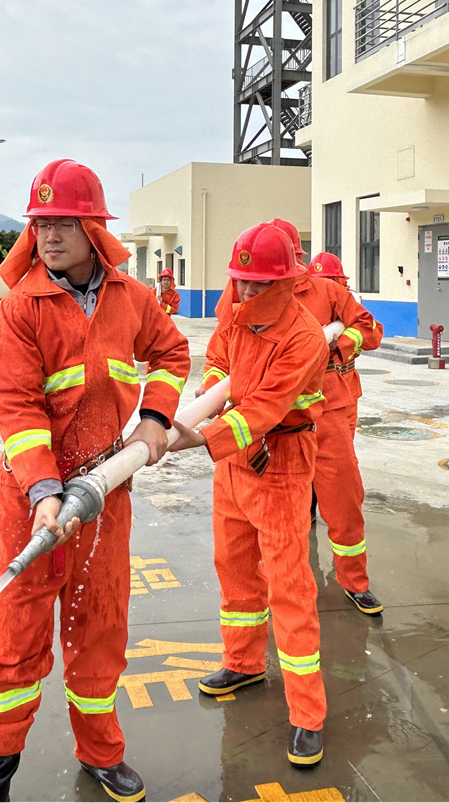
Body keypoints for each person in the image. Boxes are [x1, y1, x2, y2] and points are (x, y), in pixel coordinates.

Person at [0, 159, 190, 803]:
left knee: (100, 628)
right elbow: (16, 405)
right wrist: (43, 492)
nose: (49, 235)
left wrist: (154, 420)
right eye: (40, 223)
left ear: (93, 227)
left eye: (63, 221)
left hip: (106, 496)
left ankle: (101, 754)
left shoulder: (131, 299)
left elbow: (173, 355)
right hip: (32, 503)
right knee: (13, 641)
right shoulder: (22, 307)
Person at [171, 222, 329, 766]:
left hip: (281, 461)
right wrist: (209, 392)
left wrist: (196, 435)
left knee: (289, 585)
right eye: (240, 282)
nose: (246, 294)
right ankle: (243, 664)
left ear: (287, 283)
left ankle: (308, 715)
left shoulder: (305, 337)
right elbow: (218, 358)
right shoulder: (235, 311)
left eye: (259, 285)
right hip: (233, 464)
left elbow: (264, 408)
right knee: (234, 567)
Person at [268, 222, 384, 615]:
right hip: (277, 417)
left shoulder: (327, 292)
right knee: (285, 508)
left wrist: (340, 347)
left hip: (330, 412)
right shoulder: (251, 294)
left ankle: (355, 582)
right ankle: (288, 583)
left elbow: (368, 328)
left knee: (343, 499)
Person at [308, 251, 384, 436]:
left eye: (330, 281)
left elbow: (373, 338)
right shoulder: (306, 305)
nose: (326, 288)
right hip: (315, 388)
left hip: (346, 384)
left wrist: (341, 344)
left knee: (343, 445)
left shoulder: (351, 305)